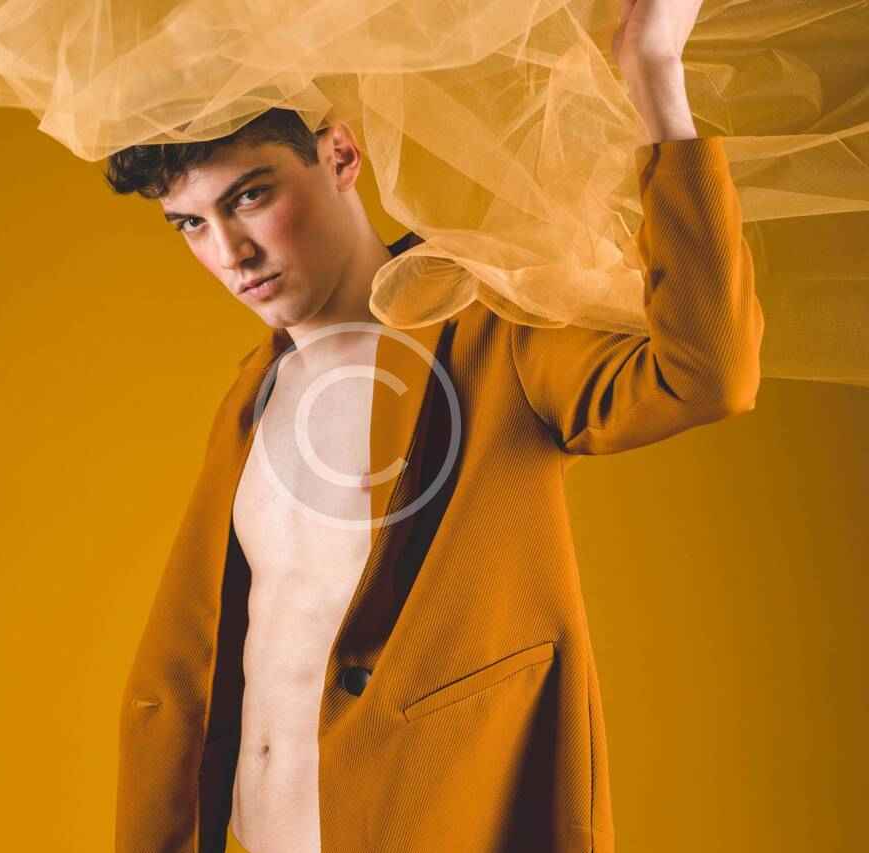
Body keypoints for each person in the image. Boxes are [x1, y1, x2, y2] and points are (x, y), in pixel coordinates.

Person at [104, 3, 762, 851]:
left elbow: (706, 372)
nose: (231, 252)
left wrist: (654, 70)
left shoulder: (491, 335)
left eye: (251, 196)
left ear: (341, 156)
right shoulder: (253, 392)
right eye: (193, 223)